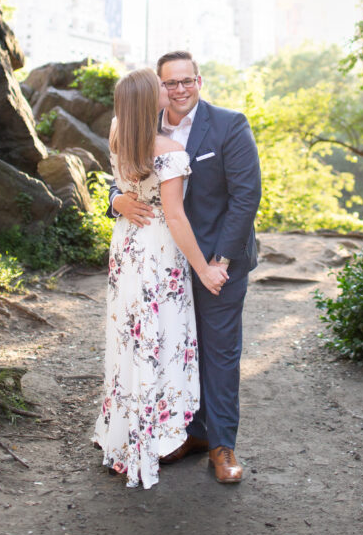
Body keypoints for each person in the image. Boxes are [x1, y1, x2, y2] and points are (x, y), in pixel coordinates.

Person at [109, 51, 261, 483]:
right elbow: (118, 173)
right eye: (169, 83)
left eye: (185, 81)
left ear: (199, 80)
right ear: (159, 85)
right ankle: (185, 433)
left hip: (216, 261)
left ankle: (222, 446)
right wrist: (115, 200)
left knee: (218, 354)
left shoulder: (230, 125)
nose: (178, 90)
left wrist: (221, 261)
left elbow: (246, 198)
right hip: (161, 266)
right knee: (172, 350)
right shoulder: (144, 121)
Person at [93, 67, 228, 489]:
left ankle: (129, 436)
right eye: (161, 88)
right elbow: (174, 216)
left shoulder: (118, 132)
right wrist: (204, 269)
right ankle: (150, 438)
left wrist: (118, 199)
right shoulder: (168, 151)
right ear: (153, 100)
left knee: (132, 337)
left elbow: (121, 181)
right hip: (157, 251)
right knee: (158, 339)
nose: (170, 91)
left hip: (127, 247)